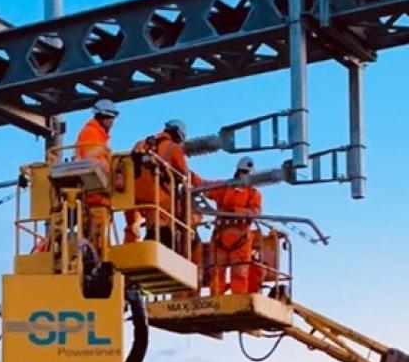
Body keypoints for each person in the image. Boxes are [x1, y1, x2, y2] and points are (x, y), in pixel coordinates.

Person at [131, 118, 193, 250]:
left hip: (135, 195)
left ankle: (145, 242)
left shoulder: (141, 143)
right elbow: (185, 175)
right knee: (162, 230)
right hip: (158, 196)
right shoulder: (174, 148)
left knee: (151, 223)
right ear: (178, 136)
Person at [208, 156, 263, 295]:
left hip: (240, 239)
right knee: (216, 271)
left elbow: (255, 212)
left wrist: (236, 211)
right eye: (242, 172)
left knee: (239, 272)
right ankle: (216, 300)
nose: (243, 176)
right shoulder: (224, 188)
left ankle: (237, 299)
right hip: (221, 237)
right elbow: (205, 187)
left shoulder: (254, 194)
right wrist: (191, 177)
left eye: (246, 173)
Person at [68, 99, 120, 246]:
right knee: (97, 240)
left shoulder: (97, 135)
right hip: (94, 198)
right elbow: (92, 161)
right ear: (103, 117)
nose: (112, 123)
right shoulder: (91, 133)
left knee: (97, 237)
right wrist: (113, 173)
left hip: (97, 198)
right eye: (110, 119)